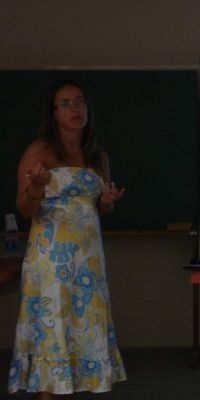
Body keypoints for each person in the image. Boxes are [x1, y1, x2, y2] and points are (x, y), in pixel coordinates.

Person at [8, 80, 127, 399]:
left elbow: (99, 209)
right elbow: (24, 208)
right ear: (53, 113)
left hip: (88, 264)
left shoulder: (97, 156)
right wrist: (36, 187)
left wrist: (108, 201)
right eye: (66, 103)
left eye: (80, 101)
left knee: (83, 337)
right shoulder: (38, 152)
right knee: (53, 337)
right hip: (51, 263)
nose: (75, 109)